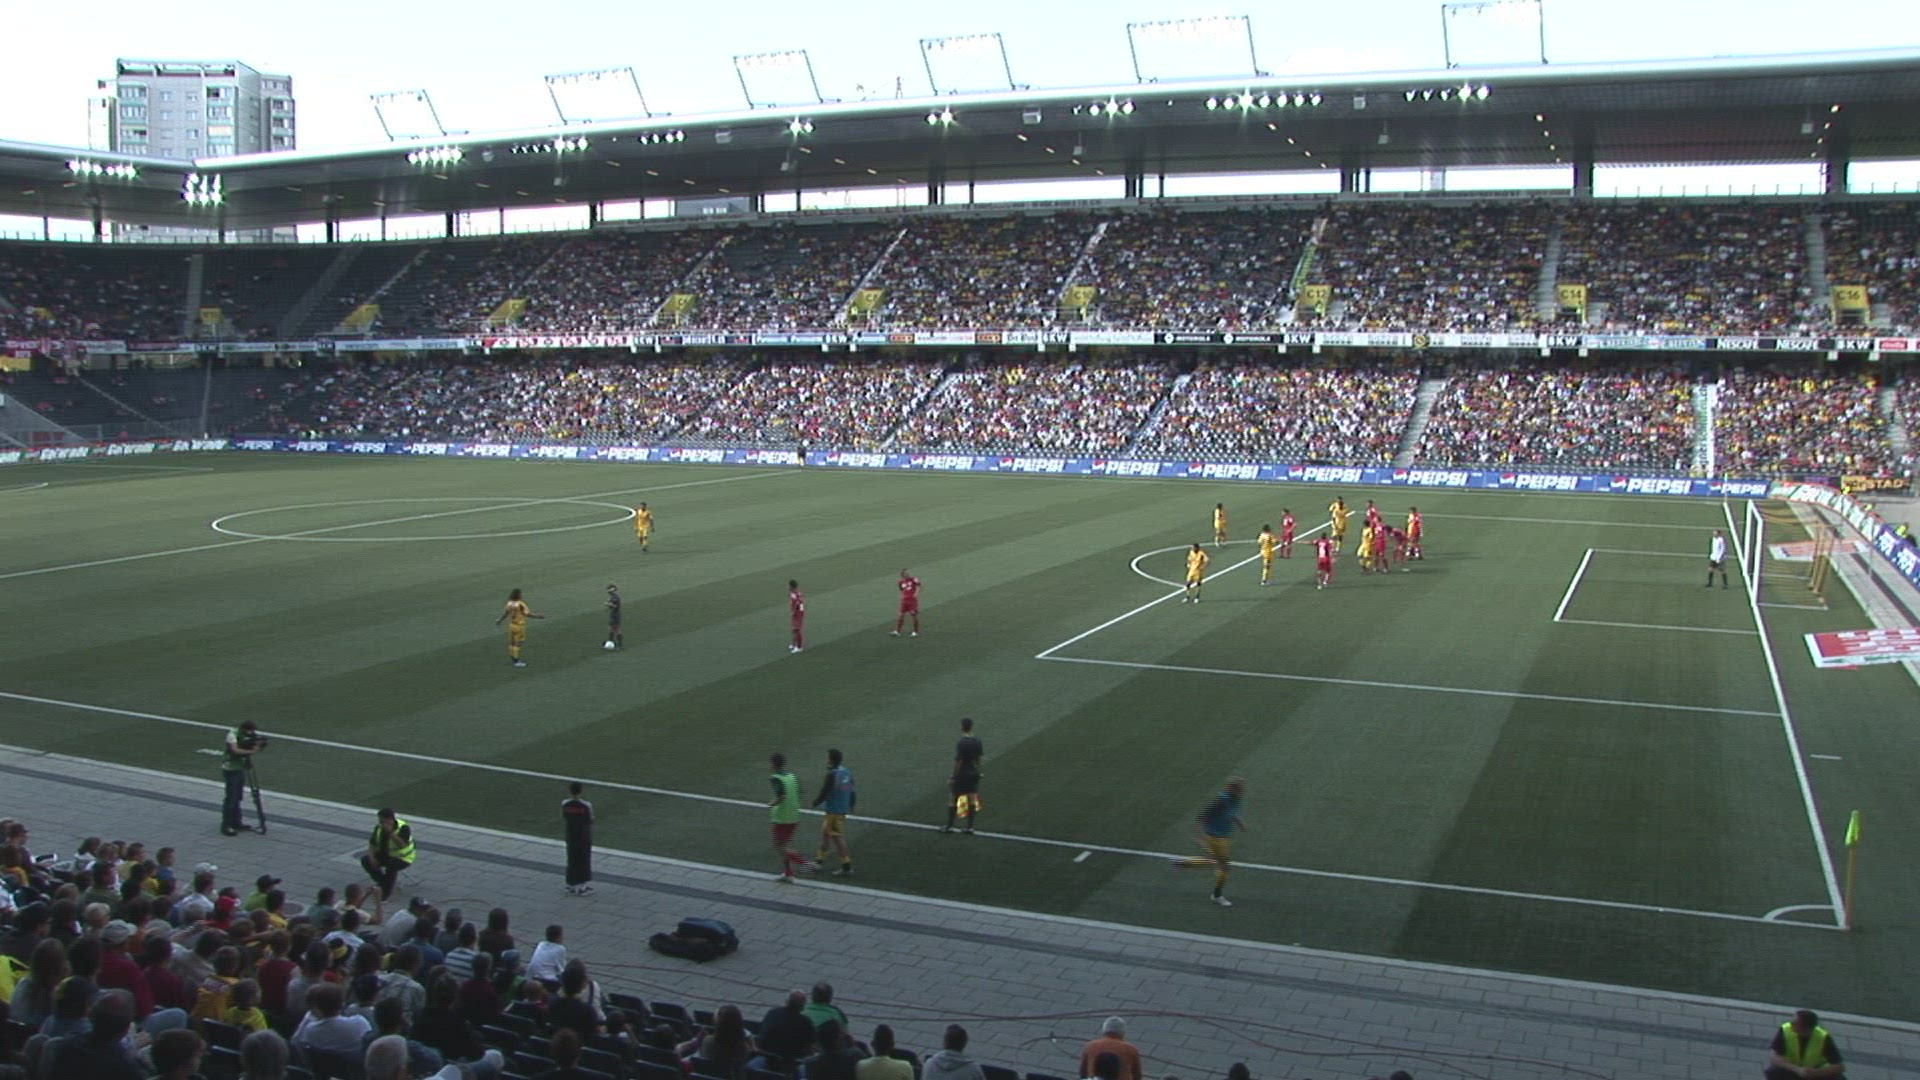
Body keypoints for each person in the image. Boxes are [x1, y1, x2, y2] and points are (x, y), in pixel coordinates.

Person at [1171, 777, 1246, 908]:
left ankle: (1183, 863)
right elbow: (1203, 817)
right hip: (1212, 837)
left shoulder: (1235, 799)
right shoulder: (1220, 802)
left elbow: (1230, 813)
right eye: (1238, 788)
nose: (1241, 791)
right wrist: (1200, 836)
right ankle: (1217, 895)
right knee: (1223, 866)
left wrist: (1239, 822)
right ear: (1231, 789)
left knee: (1213, 862)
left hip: (1223, 837)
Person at [811, 750, 856, 877]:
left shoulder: (831, 774)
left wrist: (816, 802)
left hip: (834, 812)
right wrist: (852, 804)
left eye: (827, 757)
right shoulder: (846, 771)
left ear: (830, 759)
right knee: (825, 834)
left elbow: (825, 791)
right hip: (840, 810)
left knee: (837, 838)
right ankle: (818, 862)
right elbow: (852, 790)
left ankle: (846, 866)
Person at [769, 754, 813, 882]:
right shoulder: (792, 776)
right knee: (784, 845)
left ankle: (806, 863)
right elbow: (800, 792)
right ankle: (788, 874)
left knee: (779, 847)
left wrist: (771, 804)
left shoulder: (775, 778)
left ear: (773, 764)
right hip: (794, 815)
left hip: (782, 817)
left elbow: (781, 796)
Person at [1767, 1009, 1843, 1080]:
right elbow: (1774, 1057)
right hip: (1793, 1069)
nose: (1790, 1024)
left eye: (1794, 1023)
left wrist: (1816, 1073)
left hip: (1814, 1073)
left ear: (1806, 1029)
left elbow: (1839, 1066)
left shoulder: (1823, 1037)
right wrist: (1797, 1069)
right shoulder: (1785, 1030)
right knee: (1773, 1071)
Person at [360, 808, 415, 902]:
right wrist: (372, 857)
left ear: (390, 820)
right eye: (380, 821)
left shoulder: (403, 827)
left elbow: (402, 844)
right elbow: (372, 843)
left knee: (391, 866)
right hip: (384, 855)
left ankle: (386, 893)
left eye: (383, 821)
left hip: (402, 858)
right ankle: (382, 882)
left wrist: (390, 832)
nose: (381, 823)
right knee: (365, 860)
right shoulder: (379, 828)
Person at [221, 720, 263, 836]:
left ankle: (236, 822)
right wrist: (252, 750)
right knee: (231, 798)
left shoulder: (247, 735)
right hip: (231, 769)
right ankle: (226, 825)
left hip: (240, 768)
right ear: (243, 729)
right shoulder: (232, 735)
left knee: (238, 797)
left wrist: (257, 744)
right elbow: (235, 750)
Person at [944, 718, 983, 835]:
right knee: (972, 798)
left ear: (962, 727)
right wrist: (977, 771)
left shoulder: (962, 743)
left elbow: (959, 761)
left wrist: (953, 776)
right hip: (973, 773)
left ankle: (949, 826)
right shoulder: (977, 741)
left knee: (953, 798)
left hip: (962, 774)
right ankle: (970, 827)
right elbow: (979, 759)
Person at [494, 588, 544, 668]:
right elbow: (528, 614)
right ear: (518, 595)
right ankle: (516, 661)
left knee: (512, 643)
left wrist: (499, 620)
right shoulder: (520, 604)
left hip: (511, 625)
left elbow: (506, 613)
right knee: (519, 643)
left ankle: (513, 656)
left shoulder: (509, 603)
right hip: (519, 626)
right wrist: (539, 616)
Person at [562, 782, 595, 896]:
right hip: (583, 837)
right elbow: (590, 819)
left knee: (571, 859)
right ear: (581, 791)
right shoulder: (586, 805)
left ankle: (571, 884)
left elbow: (565, 816)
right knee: (583, 860)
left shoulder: (565, 803)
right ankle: (582, 886)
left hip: (570, 835)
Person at [892, 569, 922, 637]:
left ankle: (915, 631)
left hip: (912, 600)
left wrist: (916, 593)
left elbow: (919, 586)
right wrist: (904, 596)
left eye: (908, 572)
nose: (908, 574)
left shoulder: (914, 579)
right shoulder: (901, 582)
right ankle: (897, 631)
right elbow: (901, 589)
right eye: (906, 573)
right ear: (903, 575)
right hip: (904, 601)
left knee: (913, 615)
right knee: (901, 615)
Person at [789, 580, 806, 654]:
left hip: (798, 612)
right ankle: (793, 644)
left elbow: (798, 603)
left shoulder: (796, 594)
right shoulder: (793, 592)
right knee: (794, 629)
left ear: (791, 586)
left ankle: (799, 647)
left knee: (797, 629)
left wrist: (794, 612)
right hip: (797, 612)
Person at [605, 585, 623, 650]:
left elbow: (616, 606)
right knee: (611, 628)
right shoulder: (612, 597)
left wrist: (608, 604)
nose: (608, 591)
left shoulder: (615, 597)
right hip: (613, 614)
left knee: (617, 629)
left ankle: (620, 645)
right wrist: (609, 603)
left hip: (616, 615)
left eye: (609, 589)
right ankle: (611, 642)